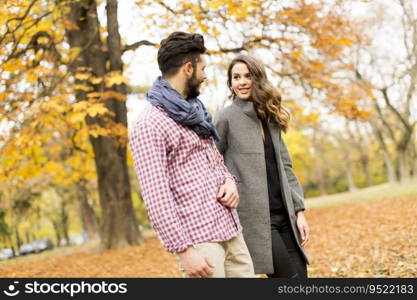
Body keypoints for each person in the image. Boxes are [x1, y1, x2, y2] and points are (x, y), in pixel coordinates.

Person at [129, 32, 255, 278]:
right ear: (188, 68)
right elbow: (156, 196)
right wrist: (184, 250)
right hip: (200, 243)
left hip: (230, 230)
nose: (205, 75)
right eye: (203, 68)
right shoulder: (150, 124)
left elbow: (215, 161)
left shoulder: (195, 112)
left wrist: (229, 181)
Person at [214, 55, 310, 278]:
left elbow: (286, 166)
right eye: (236, 77)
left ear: (258, 79)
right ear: (231, 83)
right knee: (287, 278)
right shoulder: (226, 117)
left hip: (286, 215)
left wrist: (299, 211)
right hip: (256, 220)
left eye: (247, 76)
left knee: (302, 277)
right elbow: (212, 162)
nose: (242, 82)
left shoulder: (270, 116)